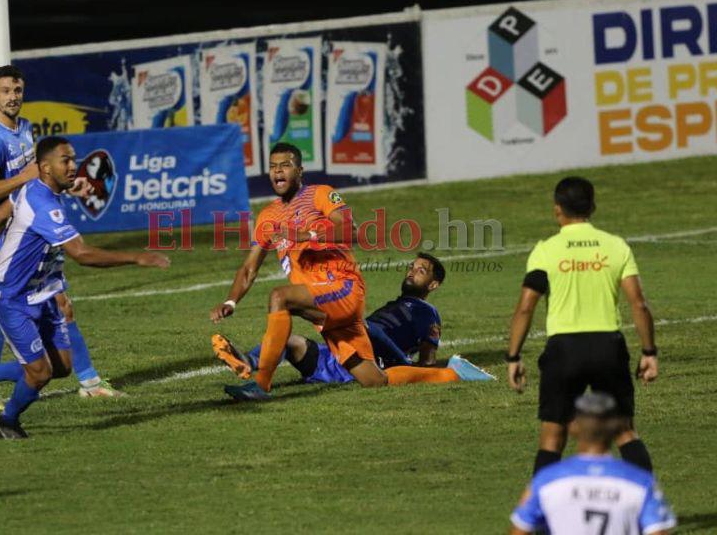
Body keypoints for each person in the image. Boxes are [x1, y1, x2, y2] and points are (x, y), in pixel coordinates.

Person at [210, 142, 463, 401]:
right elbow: (250, 267)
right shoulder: (267, 217)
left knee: (280, 297)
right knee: (373, 379)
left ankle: (261, 385)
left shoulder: (320, 194)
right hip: (324, 305)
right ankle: (451, 375)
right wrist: (231, 301)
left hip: (344, 288)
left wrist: (306, 234)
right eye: (273, 167)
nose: (278, 172)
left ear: (299, 171)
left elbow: (351, 231)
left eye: (285, 165)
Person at [0, 136, 170, 439]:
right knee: (41, 372)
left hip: (41, 293)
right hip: (11, 297)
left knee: (60, 367)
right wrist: (136, 256)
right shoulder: (43, 203)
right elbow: (82, 254)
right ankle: (7, 422)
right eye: (66, 161)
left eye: (74, 159)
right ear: (45, 167)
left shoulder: (34, 190)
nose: (74, 167)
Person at [0, 65, 124, 410]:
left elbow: (35, 183)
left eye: (17, 90)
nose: (13, 97)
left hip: (33, 232)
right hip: (11, 240)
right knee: (19, 311)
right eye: (6, 91)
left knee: (60, 306)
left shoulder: (24, 129)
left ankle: (87, 380)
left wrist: (68, 186)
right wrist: (25, 177)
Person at [505, 177, 659, 475]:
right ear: (593, 207)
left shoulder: (546, 250)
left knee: (552, 437)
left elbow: (526, 306)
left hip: (564, 350)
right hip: (607, 347)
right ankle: (647, 511)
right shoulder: (616, 247)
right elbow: (638, 303)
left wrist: (513, 356)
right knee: (624, 431)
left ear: (557, 210)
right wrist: (649, 352)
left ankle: (540, 517)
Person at [212, 253, 494, 383]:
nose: (411, 271)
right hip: (337, 353)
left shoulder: (428, 314)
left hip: (366, 358)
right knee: (290, 340)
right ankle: (248, 362)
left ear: (433, 285)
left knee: (360, 323)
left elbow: (427, 361)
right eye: (411, 267)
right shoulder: (398, 303)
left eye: (421, 271)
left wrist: (410, 367)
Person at [510, 392, 676, 535]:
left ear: (573, 427)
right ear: (616, 427)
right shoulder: (641, 482)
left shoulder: (546, 480)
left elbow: (520, 529)